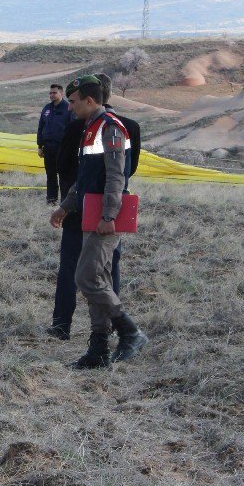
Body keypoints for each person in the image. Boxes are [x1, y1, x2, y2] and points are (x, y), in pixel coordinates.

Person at [50, 75, 148, 368]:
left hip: (104, 217)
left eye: (74, 102)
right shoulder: (90, 128)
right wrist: (65, 207)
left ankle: (130, 331)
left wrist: (108, 215)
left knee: (86, 277)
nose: (70, 108)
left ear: (90, 100)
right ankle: (98, 350)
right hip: (90, 213)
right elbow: (85, 178)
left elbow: (118, 176)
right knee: (98, 279)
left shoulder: (111, 129)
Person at [37, 84, 73, 204]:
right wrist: (39, 146)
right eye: (50, 93)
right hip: (48, 147)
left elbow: (73, 128)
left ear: (61, 93)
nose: (52, 95)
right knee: (50, 174)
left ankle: (64, 201)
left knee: (63, 175)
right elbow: (41, 127)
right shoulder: (47, 108)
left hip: (62, 148)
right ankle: (51, 199)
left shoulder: (68, 108)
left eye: (54, 93)